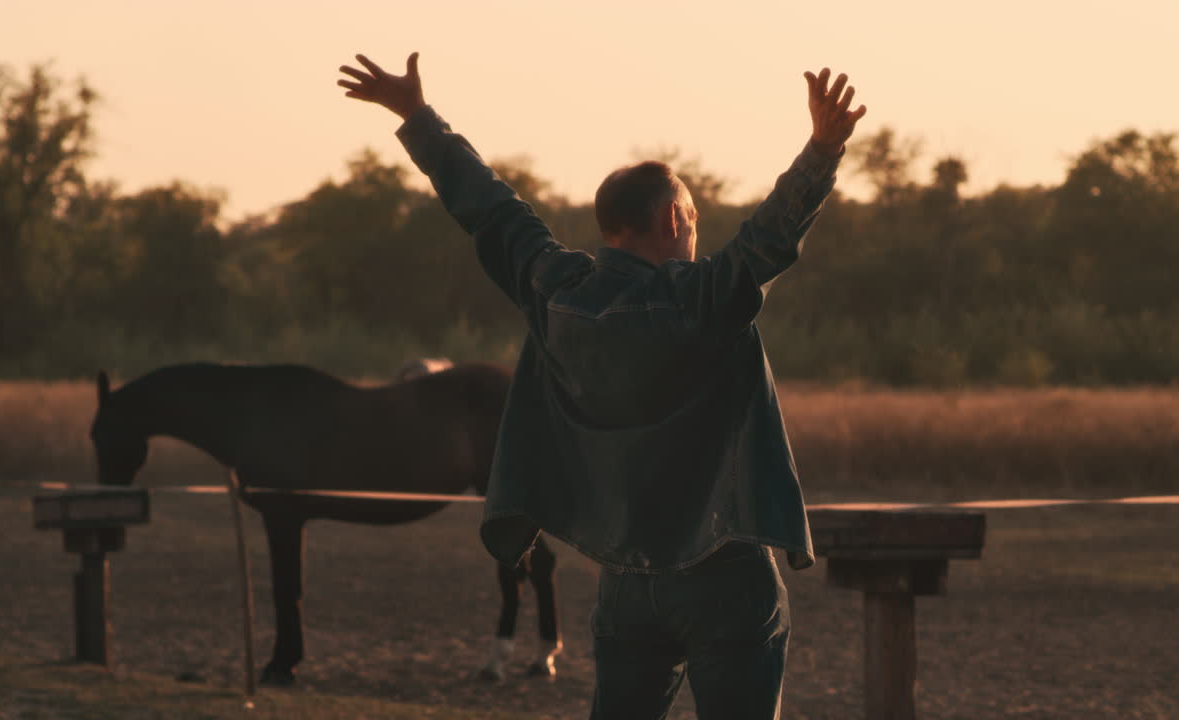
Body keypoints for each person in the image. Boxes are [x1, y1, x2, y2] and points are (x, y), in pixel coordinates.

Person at [338, 51, 865, 719]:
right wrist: (823, 149)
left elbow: (491, 211)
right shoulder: (702, 298)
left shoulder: (556, 292)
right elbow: (770, 238)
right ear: (673, 220)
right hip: (724, 572)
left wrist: (417, 116)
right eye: (694, 220)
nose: (695, 236)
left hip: (625, 581)